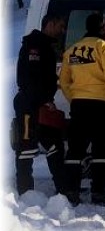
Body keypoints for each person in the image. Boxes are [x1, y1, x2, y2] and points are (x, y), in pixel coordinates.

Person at [59, 12, 105, 206]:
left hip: (79, 105)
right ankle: (98, 194)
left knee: (75, 150)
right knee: (101, 151)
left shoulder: (72, 50)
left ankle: (71, 192)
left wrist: (74, 98)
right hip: (103, 105)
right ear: (103, 28)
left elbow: (63, 81)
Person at [13, 11, 70, 197]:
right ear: (50, 24)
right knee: (26, 148)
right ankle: (25, 193)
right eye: (60, 26)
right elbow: (31, 78)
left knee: (54, 145)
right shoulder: (35, 46)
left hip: (41, 105)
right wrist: (44, 100)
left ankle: (63, 189)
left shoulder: (45, 46)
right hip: (29, 105)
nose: (62, 30)